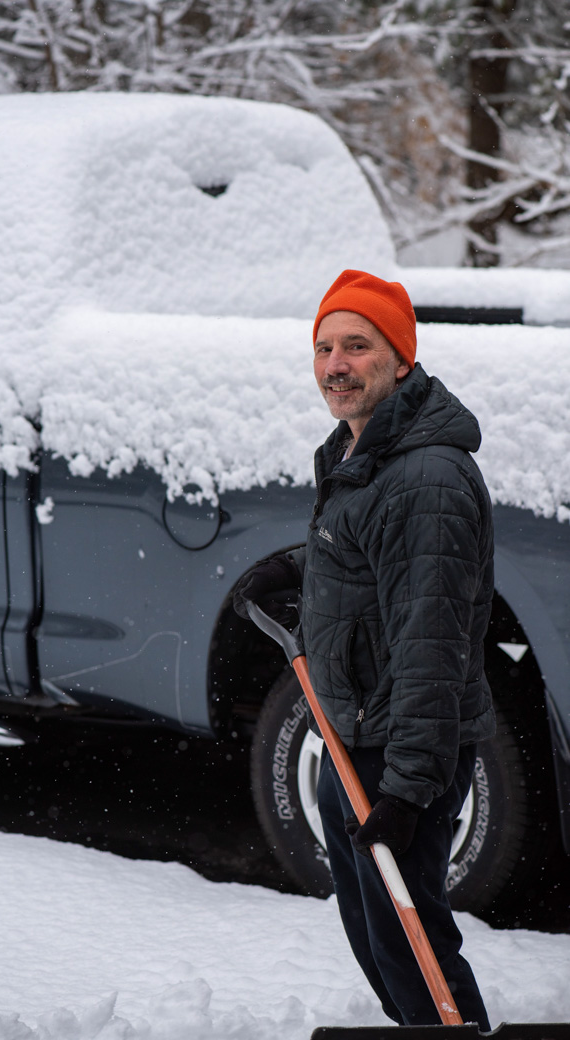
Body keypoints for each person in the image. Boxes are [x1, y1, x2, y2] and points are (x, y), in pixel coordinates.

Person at [234, 269, 494, 1030]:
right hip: (352, 739)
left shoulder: (427, 476)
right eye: (323, 348)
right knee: (385, 950)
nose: (334, 365)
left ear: (401, 359)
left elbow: (429, 643)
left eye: (357, 345)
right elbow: (374, 566)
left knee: (418, 958)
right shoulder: (366, 454)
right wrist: (299, 565)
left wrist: (409, 790)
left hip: (395, 754)